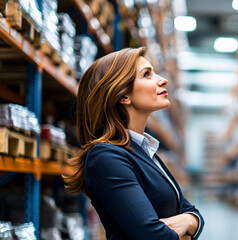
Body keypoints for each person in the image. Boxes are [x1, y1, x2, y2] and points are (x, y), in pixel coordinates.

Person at [63, 47, 204, 240]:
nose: (163, 80)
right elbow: (153, 236)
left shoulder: (144, 149)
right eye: (147, 75)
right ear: (123, 96)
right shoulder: (106, 157)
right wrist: (184, 230)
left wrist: (188, 221)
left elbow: (192, 212)